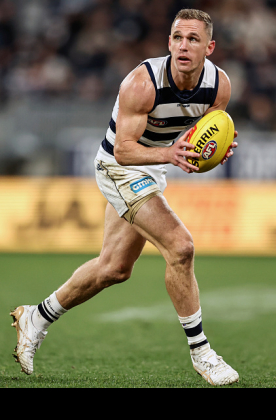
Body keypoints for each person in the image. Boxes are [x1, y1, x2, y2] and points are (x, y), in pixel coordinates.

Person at [10, 9, 239, 386]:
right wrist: (170, 154)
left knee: (114, 268)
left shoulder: (220, 87)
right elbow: (124, 152)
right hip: (119, 168)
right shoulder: (141, 82)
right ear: (168, 42)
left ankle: (36, 316)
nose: (184, 45)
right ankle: (203, 354)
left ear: (209, 48)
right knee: (180, 247)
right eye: (177, 37)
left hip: (153, 168)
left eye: (193, 39)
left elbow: (207, 138)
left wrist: (218, 150)